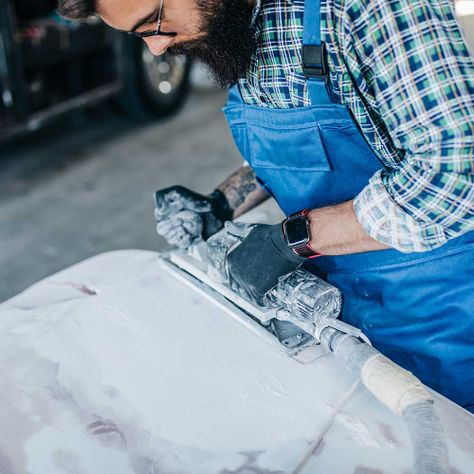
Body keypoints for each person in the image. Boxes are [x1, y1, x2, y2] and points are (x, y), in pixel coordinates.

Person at [58, 0, 474, 411]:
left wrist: (294, 240)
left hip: (442, 314)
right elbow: (298, 152)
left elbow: (454, 177)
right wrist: (221, 203)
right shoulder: (233, 23)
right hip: (336, 311)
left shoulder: (364, 7)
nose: (156, 49)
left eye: (155, 22)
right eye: (139, 35)